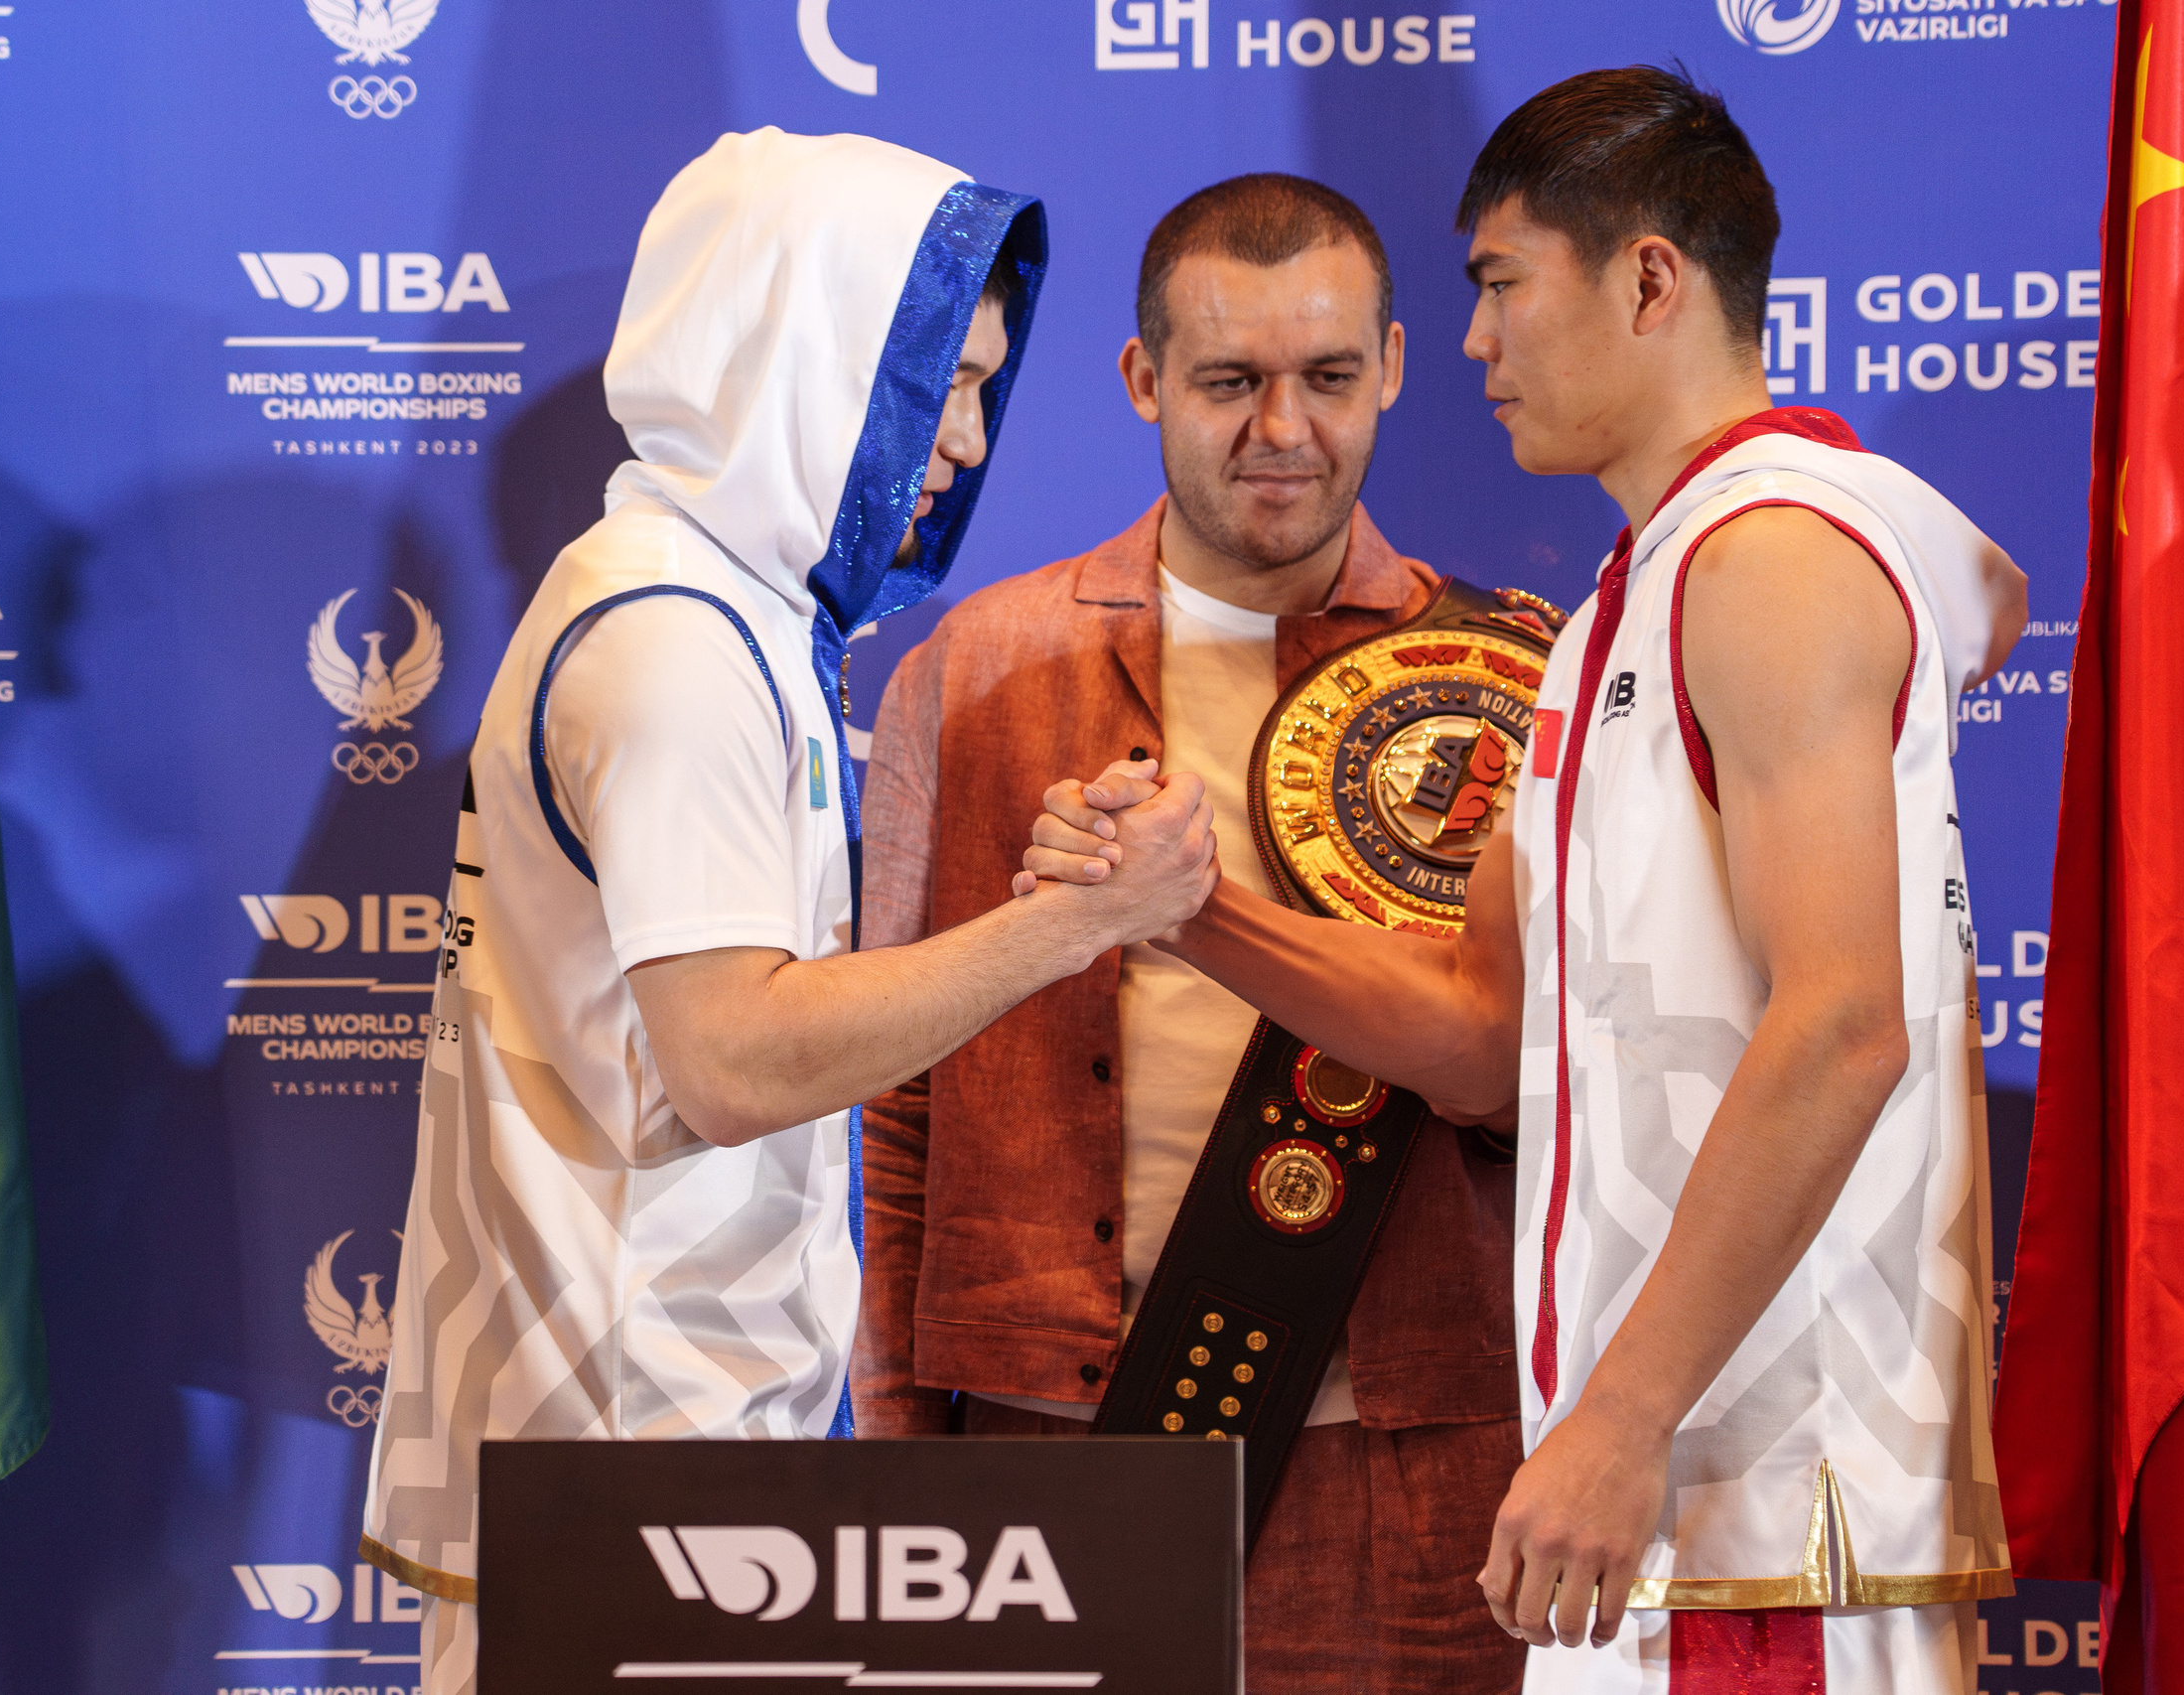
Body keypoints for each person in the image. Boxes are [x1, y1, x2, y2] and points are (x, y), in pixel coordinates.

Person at [1027, 71, 2031, 1693]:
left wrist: (1623, 1418)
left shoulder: (1773, 558)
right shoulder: (1621, 607)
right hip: (1644, 1505)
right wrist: (1186, 907)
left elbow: (1847, 1024)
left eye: (1502, 284)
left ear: (1650, 280)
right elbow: (1481, 1027)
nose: (1476, 342)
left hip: (1759, 1509)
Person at [356, 129, 1216, 1695]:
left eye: (983, 389)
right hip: (628, 1468)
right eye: (941, 383)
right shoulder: (675, 642)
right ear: (808, 352)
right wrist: (1075, 924)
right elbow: (736, 1061)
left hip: (648, 1449)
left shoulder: (710, 604)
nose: (967, 441)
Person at [854, 174, 1525, 1694]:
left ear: (1395, 367)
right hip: (1040, 1447)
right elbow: (899, 1102)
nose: (1282, 430)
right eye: (1229, 382)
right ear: (1143, 379)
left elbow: (1547, 1090)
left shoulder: (1505, 678)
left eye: (1328, 377)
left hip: (1411, 1460)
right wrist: (893, 1444)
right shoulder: (971, 670)